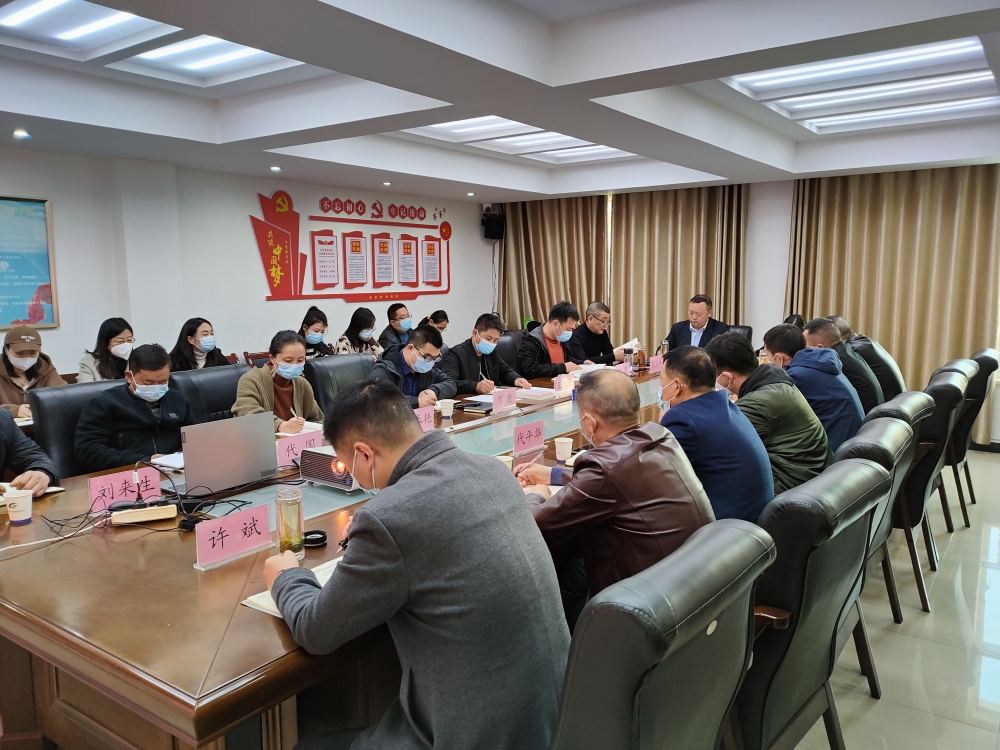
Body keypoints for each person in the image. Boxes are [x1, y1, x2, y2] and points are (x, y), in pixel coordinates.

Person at [264, 380, 569, 750]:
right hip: (556, 718)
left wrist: (287, 576)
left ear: (364, 454)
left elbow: (316, 630)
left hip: (477, 735)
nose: (353, 476)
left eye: (348, 466)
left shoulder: (388, 517)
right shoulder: (492, 469)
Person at [516, 369, 714, 608]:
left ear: (589, 423)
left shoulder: (603, 469)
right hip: (688, 583)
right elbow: (618, 479)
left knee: (553, 574)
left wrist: (536, 495)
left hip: (645, 601)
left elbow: (532, 526)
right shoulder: (660, 437)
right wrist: (553, 474)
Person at [657, 346, 773, 522]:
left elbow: (658, 476)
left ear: (677, 386)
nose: (661, 388)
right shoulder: (726, 406)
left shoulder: (683, 419)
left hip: (726, 527)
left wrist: (660, 431)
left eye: (662, 381)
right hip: (754, 520)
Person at [706, 333, 830, 494]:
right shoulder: (775, 381)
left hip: (789, 485)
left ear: (726, 377)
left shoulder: (758, 402)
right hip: (810, 475)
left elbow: (715, 447)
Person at [75, 344, 196, 472]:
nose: (156, 387)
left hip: (175, 472)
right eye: (148, 383)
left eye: (162, 382)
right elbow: (88, 451)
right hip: (129, 472)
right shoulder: (103, 404)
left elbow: (193, 438)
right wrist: (144, 461)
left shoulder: (178, 400)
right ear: (129, 377)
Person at [762, 324, 863, 452]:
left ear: (779, 358)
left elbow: (774, 412)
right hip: (849, 437)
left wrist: (776, 373)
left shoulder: (797, 376)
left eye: (768, 357)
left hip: (835, 447)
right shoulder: (816, 361)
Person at [232, 331, 324, 433]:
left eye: (300, 360)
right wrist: (281, 425)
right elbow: (248, 415)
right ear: (272, 358)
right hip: (261, 441)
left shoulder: (302, 384)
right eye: (288, 360)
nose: (294, 365)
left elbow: (317, 419)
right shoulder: (251, 380)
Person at [803, 317, 884, 413]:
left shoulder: (834, 362)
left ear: (819, 347)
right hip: (872, 416)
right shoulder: (846, 351)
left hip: (864, 419)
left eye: (805, 347)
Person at [441, 313, 531, 395]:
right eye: (488, 339)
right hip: (466, 402)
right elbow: (448, 382)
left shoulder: (491, 352)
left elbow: (505, 370)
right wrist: (475, 386)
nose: (491, 343)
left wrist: (516, 378)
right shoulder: (457, 353)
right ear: (475, 333)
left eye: (495, 340)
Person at [370, 325, 457, 408]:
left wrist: (433, 390)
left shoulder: (427, 367)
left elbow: (450, 383)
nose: (430, 362)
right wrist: (417, 402)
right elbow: (376, 399)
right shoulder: (386, 368)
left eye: (435, 358)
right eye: (427, 356)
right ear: (410, 348)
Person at [0, 326, 66, 418]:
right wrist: (13, 411)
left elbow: (65, 395)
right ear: (6, 350)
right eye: (20, 353)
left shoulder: (46, 369)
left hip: (42, 425)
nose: (26, 358)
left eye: (32, 353)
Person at [518, 301, 585, 379]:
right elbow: (531, 369)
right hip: (541, 384)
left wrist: (583, 363)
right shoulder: (532, 341)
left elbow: (566, 360)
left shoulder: (561, 338)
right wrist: (563, 368)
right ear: (556, 324)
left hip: (562, 383)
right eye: (568, 329)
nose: (570, 333)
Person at [77, 317, 134, 382]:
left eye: (129, 340)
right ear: (105, 342)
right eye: (120, 341)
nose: (126, 345)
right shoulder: (89, 362)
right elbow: (85, 387)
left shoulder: (137, 360)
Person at [665, 294, 730, 350]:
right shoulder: (678, 328)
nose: (694, 317)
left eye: (698, 314)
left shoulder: (721, 329)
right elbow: (665, 348)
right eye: (691, 313)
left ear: (709, 313)